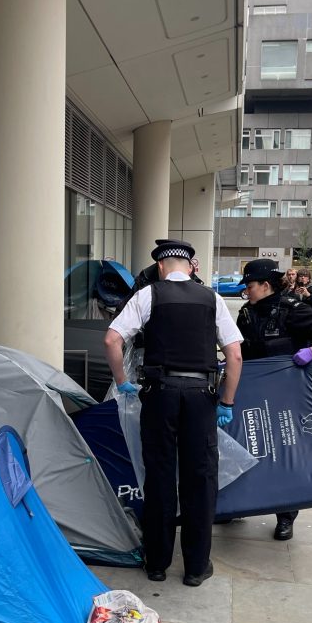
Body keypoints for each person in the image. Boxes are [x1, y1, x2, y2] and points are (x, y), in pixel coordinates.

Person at [104, 239, 243, 586]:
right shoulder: (212, 298)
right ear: (190, 265)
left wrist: (122, 381)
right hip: (201, 396)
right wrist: (226, 402)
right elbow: (235, 355)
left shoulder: (147, 295)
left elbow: (111, 340)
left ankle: (157, 563)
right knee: (200, 478)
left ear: (162, 267)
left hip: (160, 394)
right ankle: (196, 567)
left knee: (160, 476)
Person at [237, 258, 312, 541]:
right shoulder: (246, 313)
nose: (246, 292)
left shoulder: (293, 310)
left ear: (266, 285)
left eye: (249, 286)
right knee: (247, 446)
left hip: (288, 396)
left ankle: (286, 516)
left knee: (285, 450)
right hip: (253, 391)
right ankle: (236, 505)